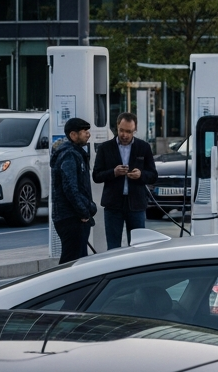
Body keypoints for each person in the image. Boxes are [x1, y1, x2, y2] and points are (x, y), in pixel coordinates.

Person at [92, 112, 158, 249]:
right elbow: (96, 176)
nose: (124, 135)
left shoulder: (143, 147)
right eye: (122, 130)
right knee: (113, 246)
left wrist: (141, 175)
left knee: (139, 246)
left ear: (135, 130)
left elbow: (153, 175)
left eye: (129, 131)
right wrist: (113, 172)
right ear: (117, 127)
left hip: (136, 204)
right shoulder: (105, 148)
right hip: (113, 205)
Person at [51, 117, 98, 263]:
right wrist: (84, 211)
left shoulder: (74, 153)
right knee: (72, 261)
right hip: (71, 218)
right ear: (73, 135)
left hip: (72, 216)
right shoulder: (70, 154)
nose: (88, 134)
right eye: (84, 131)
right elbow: (70, 187)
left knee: (78, 259)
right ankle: (61, 285)